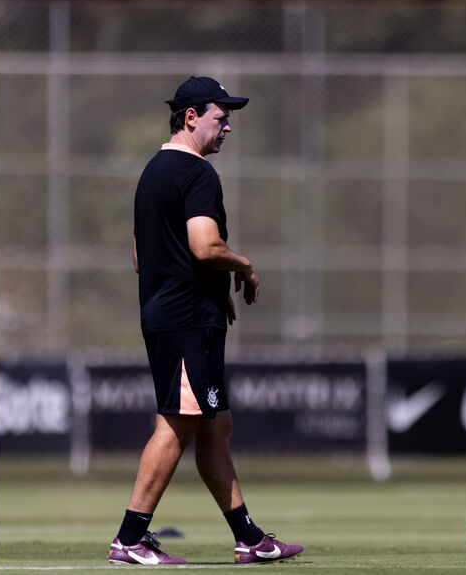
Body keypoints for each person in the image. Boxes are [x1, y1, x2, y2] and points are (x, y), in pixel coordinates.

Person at [108, 76, 303, 566]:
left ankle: (250, 539)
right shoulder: (197, 174)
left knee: (216, 426)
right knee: (178, 424)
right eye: (222, 117)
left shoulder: (152, 171)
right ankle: (130, 538)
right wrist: (244, 266)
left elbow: (140, 255)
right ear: (191, 117)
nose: (228, 127)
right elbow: (204, 246)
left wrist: (214, 291)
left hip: (181, 312)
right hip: (185, 319)